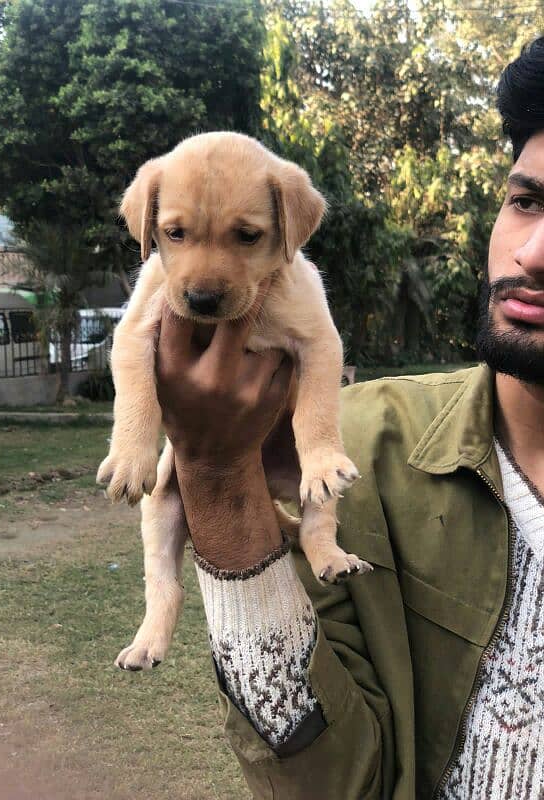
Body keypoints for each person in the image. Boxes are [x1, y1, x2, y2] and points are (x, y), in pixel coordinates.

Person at [153, 39, 544, 800]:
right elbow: (329, 780)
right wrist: (218, 478)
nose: (532, 253)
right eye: (527, 201)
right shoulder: (350, 453)